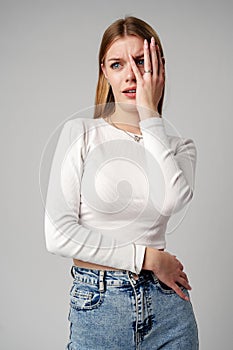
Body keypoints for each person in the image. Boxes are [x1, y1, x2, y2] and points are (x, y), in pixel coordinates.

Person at [44, 16, 199, 349]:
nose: (130, 74)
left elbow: (169, 200)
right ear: (105, 72)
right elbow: (58, 235)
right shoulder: (81, 134)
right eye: (117, 64)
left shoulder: (179, 147)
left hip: (169, 310)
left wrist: (150, 117)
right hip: (99, 305)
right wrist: (149, 258)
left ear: (159, 67)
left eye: (141, 62)